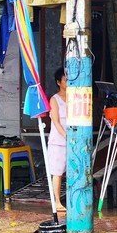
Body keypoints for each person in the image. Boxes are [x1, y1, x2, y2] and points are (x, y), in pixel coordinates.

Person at [48, 67, 67, 212]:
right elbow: (56, 122)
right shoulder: (54, 99)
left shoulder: (74, 98)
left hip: (72, 140)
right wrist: (66, 136)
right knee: (57, 172)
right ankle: (57, 201)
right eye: (65, 80)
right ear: (58, 82)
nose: (68, 82)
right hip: (58, 141)